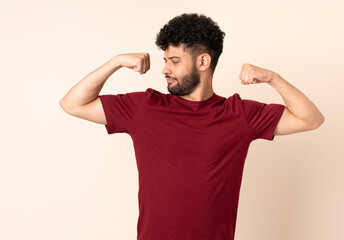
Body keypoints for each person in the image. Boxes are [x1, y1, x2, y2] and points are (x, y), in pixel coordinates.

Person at [60, 13, 325, 240]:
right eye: (165, 60)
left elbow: (310, 119)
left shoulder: (238, 114)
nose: (165, 69)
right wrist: (115, 62)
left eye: (174, 61)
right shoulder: (144, 107)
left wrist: (273, 79)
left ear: (203, 62)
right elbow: (73, 104)